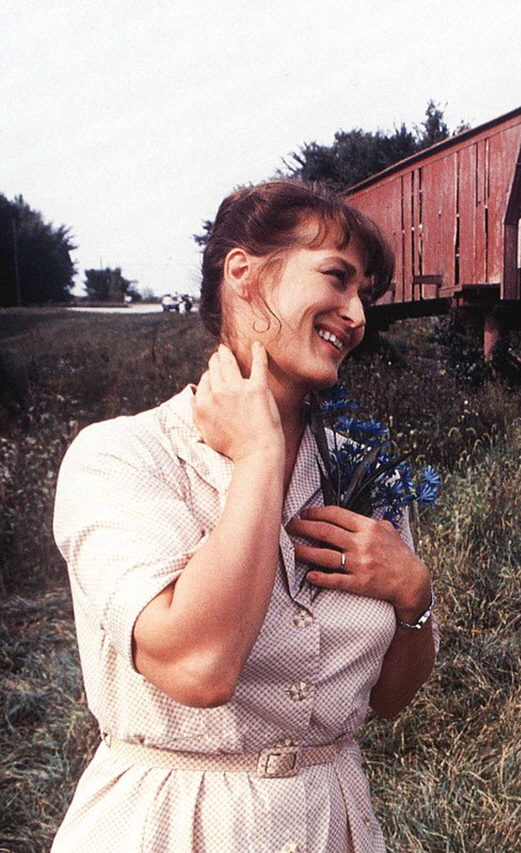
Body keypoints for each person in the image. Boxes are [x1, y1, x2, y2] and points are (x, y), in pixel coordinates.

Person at [52, 179, 438, 852]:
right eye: (337, 278)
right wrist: (260, 454)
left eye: (365, 296)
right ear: (243, 273)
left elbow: (388, 699)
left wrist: (415, 595)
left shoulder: (361, 472)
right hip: (171, 825)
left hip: (329, 824)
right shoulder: (123, 456)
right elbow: (199, 667)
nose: (356, 316)